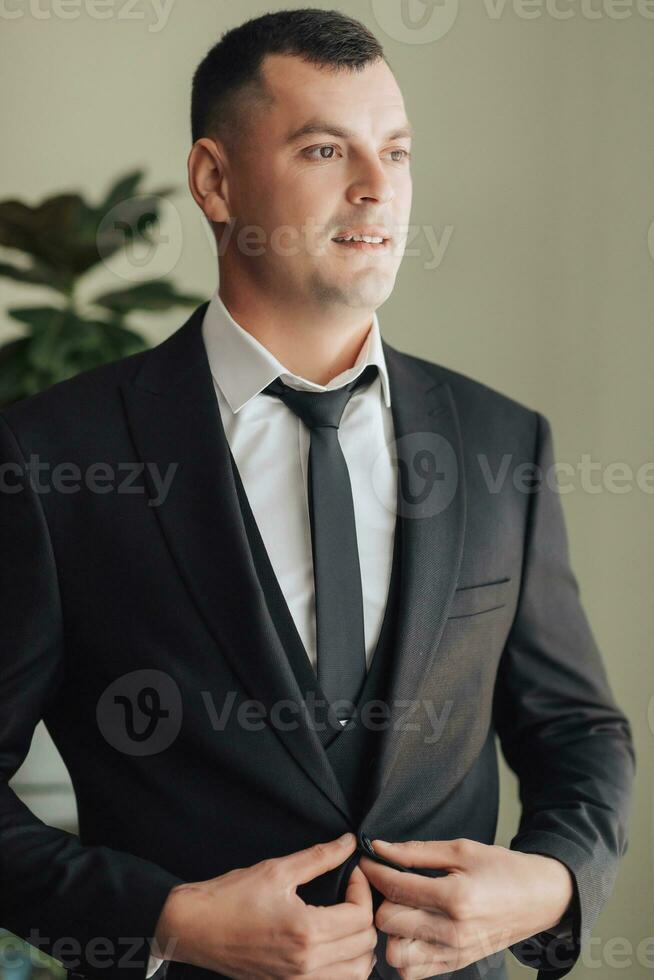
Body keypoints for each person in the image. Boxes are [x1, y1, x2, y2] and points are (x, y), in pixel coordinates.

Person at [0, 9, 635, 980]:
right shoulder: (57, 456)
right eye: (326, 147)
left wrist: (552, 878)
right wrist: (167, 919)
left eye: (398, 150)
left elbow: (578, 730)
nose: (378, 187)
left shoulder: (503, 442)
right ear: (216, 181)